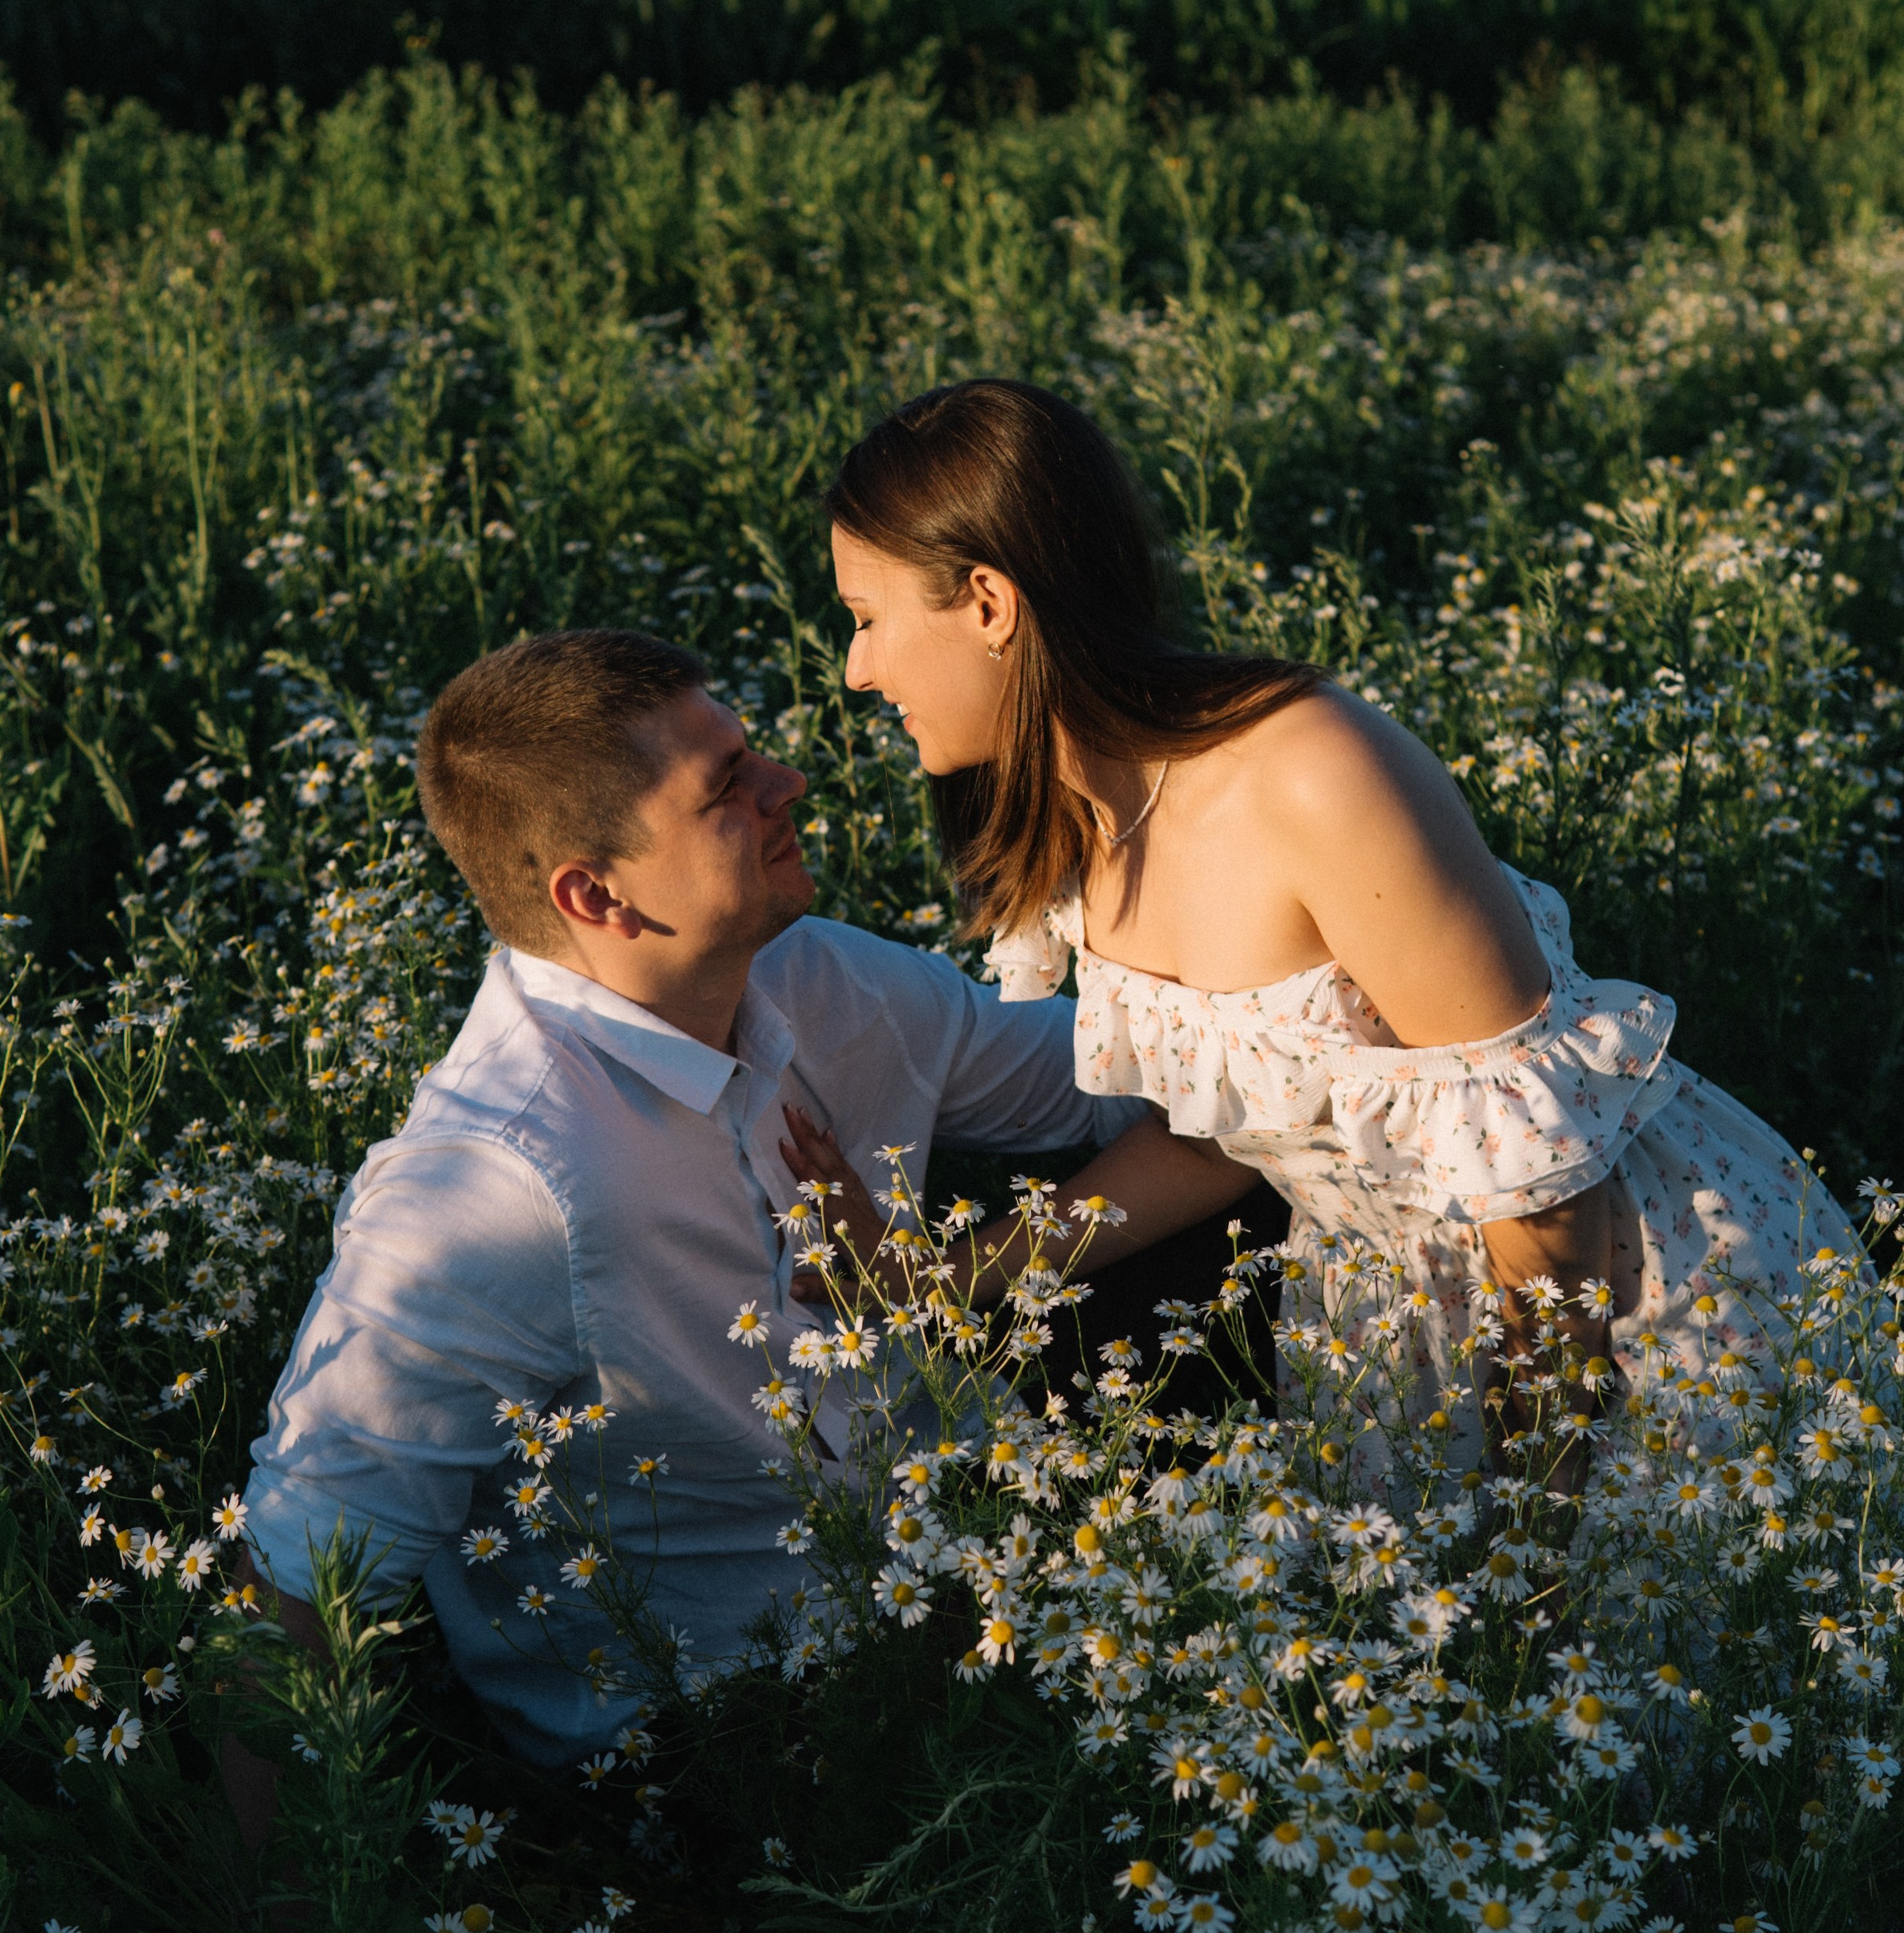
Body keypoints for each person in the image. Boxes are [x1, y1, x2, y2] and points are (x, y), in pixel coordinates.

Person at [779, 376, 1861, 1476]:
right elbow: (1222, 1144)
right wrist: (944, 1278)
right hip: (1387, 1328)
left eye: (867, 619)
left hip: (1619, 1317)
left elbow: (1542, 1177)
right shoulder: (1083, 818)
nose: (858, 668)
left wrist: (1540, 1497)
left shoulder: (1309, 774)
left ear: (989, 605)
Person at [231, 625, 1148, 1829]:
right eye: (726, 790)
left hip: (970, 1565)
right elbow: (296, 1598)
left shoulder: (812, 980)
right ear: (594, 893)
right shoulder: (492, 1189)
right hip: (723, 1744)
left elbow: (1134, 1076)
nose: (790, 786)